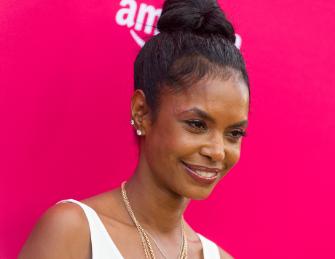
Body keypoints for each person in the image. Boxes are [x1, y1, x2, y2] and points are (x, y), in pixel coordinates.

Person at [19, 0, 250, 258]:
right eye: (197, 125)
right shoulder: (75, 231)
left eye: (234, 133)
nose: (217, 151)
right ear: (142, 112)